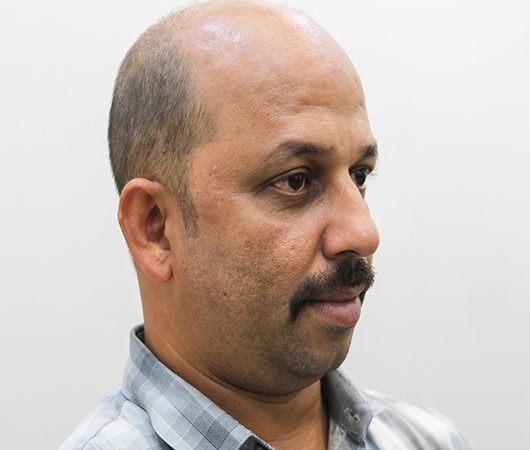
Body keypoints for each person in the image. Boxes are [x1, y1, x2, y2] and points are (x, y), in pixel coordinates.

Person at [62, 1, 473, 449]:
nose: (363, 233)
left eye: (359, 175)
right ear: (155, 229)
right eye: (295, 181)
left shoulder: (428, 440)